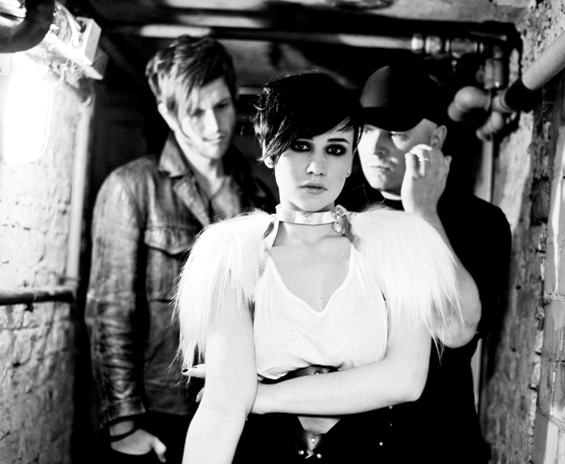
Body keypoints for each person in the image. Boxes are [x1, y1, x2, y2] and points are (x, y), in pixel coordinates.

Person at [175, 72, 482, 463]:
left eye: (335, 149)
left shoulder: (398, 243)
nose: (317, 166)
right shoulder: (232, 253)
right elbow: (220, 409)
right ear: (269, 150)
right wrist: (234, 397)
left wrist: (259, 396)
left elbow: (405, 379)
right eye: (300, 145)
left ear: (351, 160)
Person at [85, 35, 274, 464]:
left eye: (222, 105)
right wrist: (123, 424)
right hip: (161, 413)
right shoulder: (131, 189)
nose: (214, 125)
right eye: (195, 112)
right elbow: (110, 312)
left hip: (240, 408)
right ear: (168, 114)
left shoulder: (259, 197)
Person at [338, 64, 512, 463]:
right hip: (350, 442)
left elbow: (455, 329)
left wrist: (422, 213)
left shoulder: (480, 222)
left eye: (397, 134)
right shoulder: (338, 213)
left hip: (438, 442)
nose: (376, 148)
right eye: (368, 131)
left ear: (436, 139)